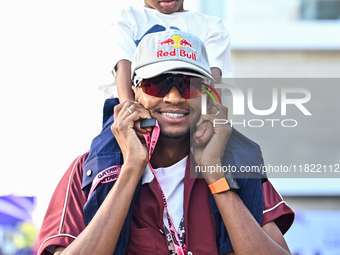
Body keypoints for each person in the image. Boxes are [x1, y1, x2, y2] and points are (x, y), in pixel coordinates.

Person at [37, 30, 293, 255]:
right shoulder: (88, 169)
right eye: (157, 84)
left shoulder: (238, 164)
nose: (173, 98)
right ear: (135, 92)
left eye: (187, 86)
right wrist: (132, 168)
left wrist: (215, 174)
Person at [103, 0, 232, 100]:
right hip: (132, 100)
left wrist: (212, 113)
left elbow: (213, 76)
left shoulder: (211, 26)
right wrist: (129, 108)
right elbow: (124, 65)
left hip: (188, 105)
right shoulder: (126, 18)